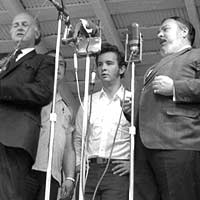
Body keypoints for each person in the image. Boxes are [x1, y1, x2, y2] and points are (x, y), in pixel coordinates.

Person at [135, 16, 200, 200]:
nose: (159, 34)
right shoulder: (153, 68)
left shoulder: (196, 55)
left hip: (178, 142)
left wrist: (175, 88)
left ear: (184, 32)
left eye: (165, 29)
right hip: (144, 149)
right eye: (159, 31)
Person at [0, 12, 55, 200]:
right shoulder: (2, 61)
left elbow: (42, 92)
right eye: (15, 25)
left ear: (37, 32)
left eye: (25, 24)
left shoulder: (44, 61)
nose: (19, 27)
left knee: (8, 194)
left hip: (14, 138)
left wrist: (3, 88)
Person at [74, 43, 131, 200]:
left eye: (109, 63)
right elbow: (79, 138)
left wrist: (133, 164)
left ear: (121, 69)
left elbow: (142, 138)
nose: (103, 68)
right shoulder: (88, 101)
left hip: (117, 171)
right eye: (100, 64)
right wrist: (79, 165)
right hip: (89, 170)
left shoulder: (132, 100)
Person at [32, 50, 76, 200]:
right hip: (28, 170)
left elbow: (69, 148)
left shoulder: (67, 109)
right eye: (52, 62)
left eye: (61, 64)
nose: (57, 67)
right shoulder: (31, 98)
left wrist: (69, 178)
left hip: (53, 176)